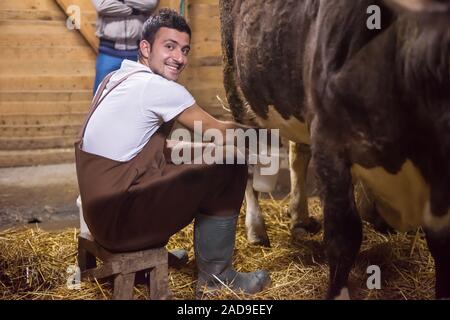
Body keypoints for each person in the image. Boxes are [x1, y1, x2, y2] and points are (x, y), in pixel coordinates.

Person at [75, 8, 270, 297]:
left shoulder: (116, 79)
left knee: (211, 156)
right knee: (232, 162)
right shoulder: (158, 89)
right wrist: (269, 132)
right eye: (169, 46)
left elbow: (147, 147)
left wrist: (204, 150)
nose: (179, 58)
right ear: (145, 47)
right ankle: (217, 279)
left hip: (99, 217)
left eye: (184, 49)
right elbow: (219, 130)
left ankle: (154, 252)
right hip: (121, 224)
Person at [91, 0, 159, 93]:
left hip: (139, 53)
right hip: (108, 53)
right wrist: (135, 11)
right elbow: (102, 5)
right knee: (101, 96)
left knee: (139, 94)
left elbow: (149, 4)